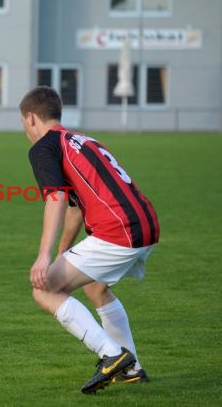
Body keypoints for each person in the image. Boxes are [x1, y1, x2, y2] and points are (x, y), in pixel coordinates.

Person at [20, 86, 159, 394]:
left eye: (23, 123)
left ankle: (111, 356)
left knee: (43, 290)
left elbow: (55, 198)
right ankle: (132, 369)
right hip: (146, 225)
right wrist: (61, 252)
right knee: (96, 288)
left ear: (31, 118)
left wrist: (44, 257)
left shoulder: (44, 146)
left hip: (119, 230)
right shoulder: (83, 140)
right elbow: (74, 209)